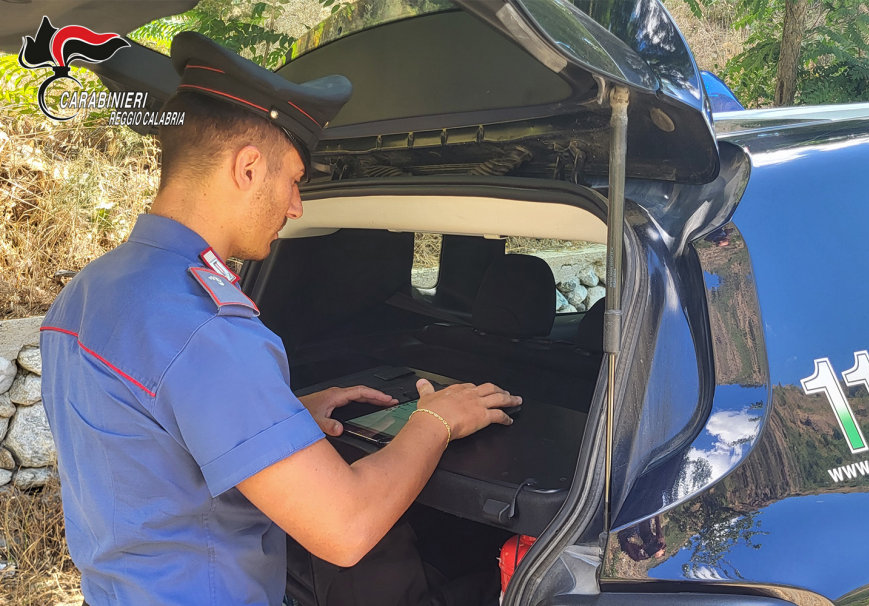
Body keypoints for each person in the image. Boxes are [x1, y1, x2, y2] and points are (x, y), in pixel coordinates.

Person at [39, 31, 521, 606]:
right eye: (293, 179)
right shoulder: (207, 328)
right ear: (247, 168)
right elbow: (345, 528)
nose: (296, 206)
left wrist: (284, 419)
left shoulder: (90, 290)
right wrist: (436, 420)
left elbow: (153, 443)